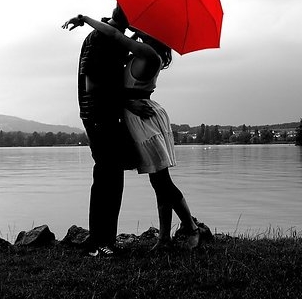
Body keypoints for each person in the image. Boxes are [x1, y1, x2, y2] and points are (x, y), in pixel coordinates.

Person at [63, 13, 202, 251]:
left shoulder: (149, 54)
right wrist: (118, 22)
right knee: (158, 180)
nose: (141, 27)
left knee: (161, 181)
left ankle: (190, 227)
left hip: (144, 120)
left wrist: (85, 18)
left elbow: (116, 35)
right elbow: (117, 47)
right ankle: (164, 238)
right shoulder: (140, 52)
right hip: (135, 118)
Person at [64, 5, 153, 257]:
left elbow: (113, 71)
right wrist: (128, 102)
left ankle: (105, 240)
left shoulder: (112, 38)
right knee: (106, 178)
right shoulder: (100, 38)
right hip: (98, 116)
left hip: (107, 114)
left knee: (111, 178)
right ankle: (99, 243)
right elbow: (93, 85)